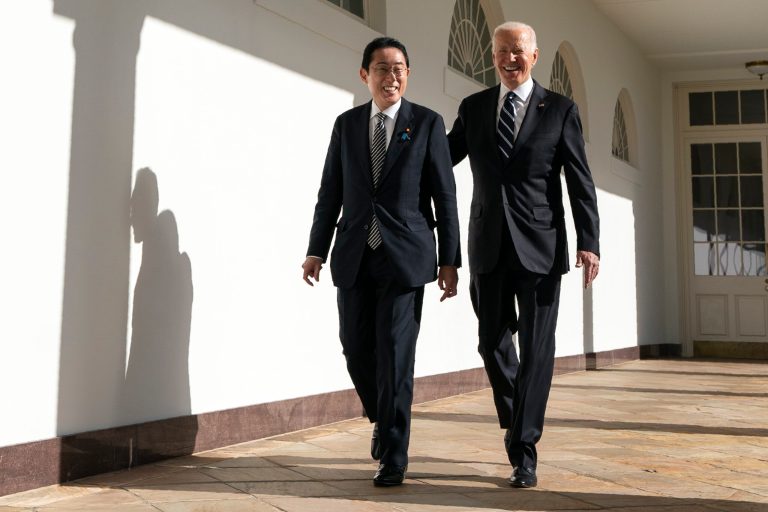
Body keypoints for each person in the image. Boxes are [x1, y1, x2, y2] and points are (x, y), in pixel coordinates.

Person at [302, 36, 461, 487]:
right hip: (353, 253)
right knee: (355, 349)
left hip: (406, 258)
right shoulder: (347, 124)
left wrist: (449, 260)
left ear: (407, 75)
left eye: (399, 69)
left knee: (395, 356)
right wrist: (316, 249)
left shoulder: (427, 123)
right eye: (382, 68)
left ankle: (394, 455)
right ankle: (380, 416)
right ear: (364, 75)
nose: (391, 77)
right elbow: (329, 190)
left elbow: (444, 196)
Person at [447, 21, 600, 488]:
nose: (509, 59)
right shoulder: (473, 108)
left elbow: (579, 179)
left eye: (518, 52)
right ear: (491, 56)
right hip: (487, 245)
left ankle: (524, 449)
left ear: (534, 57)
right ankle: (519, 422)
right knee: (490, 342)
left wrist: (589, 241)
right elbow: (440, 159)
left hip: (541, 246)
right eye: (501, 52)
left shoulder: (560, 109)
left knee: (537, 350)